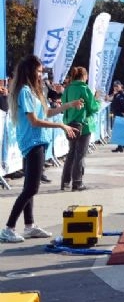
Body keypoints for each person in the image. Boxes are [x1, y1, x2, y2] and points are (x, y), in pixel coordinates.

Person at [0, 55, 82, 243]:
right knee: (31, 188)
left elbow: (46, 112)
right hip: (32, 142)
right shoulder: (24, 92)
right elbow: (34, 121)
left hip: (37, 142)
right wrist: (61, 125)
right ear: (30, 71)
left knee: (29, 187)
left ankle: (29, 226)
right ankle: (8, 228)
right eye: (38, 71)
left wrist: (69, 105)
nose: (40, 74)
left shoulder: (33, 91)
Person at [61, 66, 101, 192]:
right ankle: (77, 182)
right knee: (80, 154)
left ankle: (65, 181)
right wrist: (97, 100)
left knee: (71, 153)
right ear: (84, 76)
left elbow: (63, 104)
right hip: (83, 125)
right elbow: (93, 108)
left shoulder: (68, 89)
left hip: (69, 124)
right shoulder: (84, 88)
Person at [110, 81, 124, 152]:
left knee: (120, 131)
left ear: (121, 86)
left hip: (121, 114)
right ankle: (123, 146)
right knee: (120, 131)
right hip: (117, 114)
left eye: (117, 86)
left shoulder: (122, 95)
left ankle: (120, 147)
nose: (116, 88)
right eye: (115, 86)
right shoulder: (117, 94)